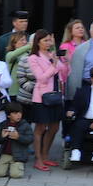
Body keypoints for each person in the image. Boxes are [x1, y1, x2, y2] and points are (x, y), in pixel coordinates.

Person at [29, 30, 68, 169]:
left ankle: (46, 155)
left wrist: (63, 62)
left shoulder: (53, 55)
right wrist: (53, 66)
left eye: (49, 40)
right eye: (45, 40)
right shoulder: (34, 57)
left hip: (56, 95)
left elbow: (63, 73)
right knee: (40, 128)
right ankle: (38, 159)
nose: (48, 42)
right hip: (42, 97)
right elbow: (41, 78)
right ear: (38, 42)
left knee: (55, 127)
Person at [0, 103, 34, 179]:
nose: (18, 115)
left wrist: (19, 137)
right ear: (8, 115)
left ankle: (17, 166)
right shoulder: (3, 124)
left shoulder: (25, 125)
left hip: (18, 155)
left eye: (20, 113)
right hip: (5, 154)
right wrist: (2, 137)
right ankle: (8, 167)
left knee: (16, 175)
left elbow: (30, 139)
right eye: (15, 113)